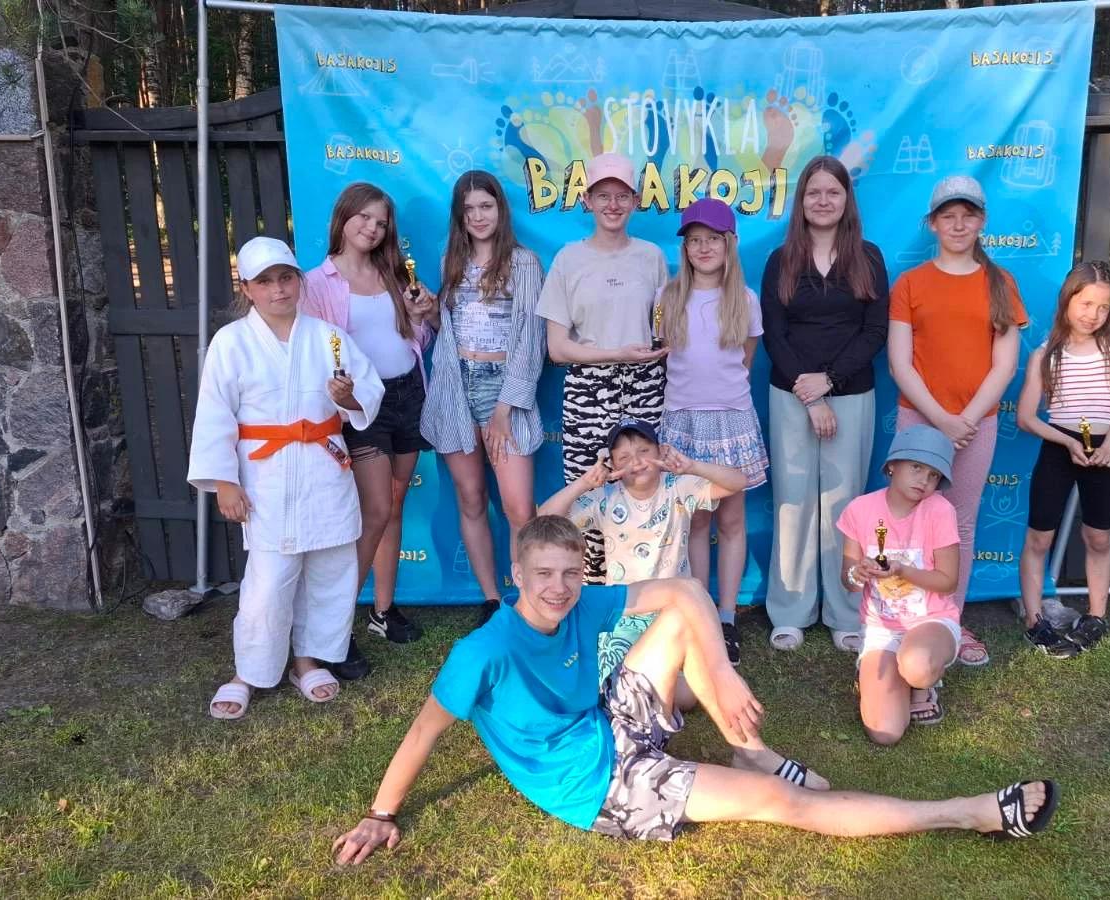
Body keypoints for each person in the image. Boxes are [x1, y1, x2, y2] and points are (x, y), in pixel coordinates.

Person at [331, 515, 1058, 861]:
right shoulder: (481, 652)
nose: (558, 587)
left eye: (570, 573)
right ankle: (969, 813)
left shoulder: (581, 601)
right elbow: (423, 733)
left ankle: (750, 748)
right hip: (603, 784)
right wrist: (378, 814)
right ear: (516, 576)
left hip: (607, 717)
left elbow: (681, 589)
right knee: (784, 804)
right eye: (542, 575)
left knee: (681, 614)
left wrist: (725, 673)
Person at [190, 237, 385, 719]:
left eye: (286, 278)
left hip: (323, 468)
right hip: (267, 476)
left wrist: (348, 397)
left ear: (299, 281)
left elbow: (367, 392)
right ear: (247, 289)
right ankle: (249, 671)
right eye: (265, 282)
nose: (278, 289)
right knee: (268, 581)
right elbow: (214, 412)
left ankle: (306, 660)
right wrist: (224, 482)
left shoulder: (328, 337)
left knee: (330, 572)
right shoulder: (231, 342)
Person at [886, 175, 1029, 668]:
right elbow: (900, 363)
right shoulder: (910, 284)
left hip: (975, 424)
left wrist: (964, 419)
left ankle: (949, 619)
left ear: (982, 221)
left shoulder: (1001, 283)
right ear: (933, 224)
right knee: (911, 521)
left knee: (958, 525)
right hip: (919, 422)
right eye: (948, 216)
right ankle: (903, 620)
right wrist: (941, 419)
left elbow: (1005, 364)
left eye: (968, 216)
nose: (958, 224)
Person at [303, 183, 438, 663]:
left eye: (381, 223)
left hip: (409, 395)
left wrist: (424, 316)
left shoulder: (394, 273)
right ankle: (332, 630)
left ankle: (382, 611)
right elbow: (313, 354)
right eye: (364, 217)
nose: (372, 228)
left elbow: (415, 337)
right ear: (343, 217)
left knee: (395, 505)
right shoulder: (316, 284)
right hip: (362, 406)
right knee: (376, 509)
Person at [760, 155, 889, 654]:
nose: (823, 201)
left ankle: (845, 613)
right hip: (790, 395)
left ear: (846, 200)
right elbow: (775, 333)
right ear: (801, 201)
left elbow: (874, 331)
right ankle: (790, 612)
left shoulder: (868, 257)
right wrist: (809, 392)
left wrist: (830, 381)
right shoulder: (781, 260)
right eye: (813, 192)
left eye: (832, 192)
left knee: (844, 506)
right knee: (792, 504)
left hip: (851, 395)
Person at [420, 171, 547, 624]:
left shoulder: (524, 263)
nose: (477, 216)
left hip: (503, 389)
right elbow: (449, 332)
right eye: (468, 209)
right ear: (459, 216)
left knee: (518, 508)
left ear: (500, 210)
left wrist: (505, 408)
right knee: (471, 497)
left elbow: (532, 339)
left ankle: (528, 603)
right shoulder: (450, 262)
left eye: (485, 206)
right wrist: (430, 314)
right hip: (456, 385)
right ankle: (492, 600)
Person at [537, 152, 670, 583]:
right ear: (587, 201)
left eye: (622, 196)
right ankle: (593, 596)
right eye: (603, 195)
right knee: (588, 493)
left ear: (635, 201)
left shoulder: (651, 257)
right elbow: (557, 348)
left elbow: (663, 328)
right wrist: (615, 354)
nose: (613, 205)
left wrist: (652, 353)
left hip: (644, 388)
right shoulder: (568, 259)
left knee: (644, 491)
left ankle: (643, 591)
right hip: (589, 391)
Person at [539, 420, 746, 682]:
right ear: (613, 466)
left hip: (676, 611)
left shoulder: (679, 487)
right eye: (624, 458)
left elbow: (738, 481)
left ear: (660, 452)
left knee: (689, 687)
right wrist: (584, 483)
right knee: (611, 679)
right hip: (625, 613)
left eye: (644, 451)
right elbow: (543, 521)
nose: (636, 462)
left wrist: (692, 466)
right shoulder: (604, 498)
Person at [653, 198, 767, 666]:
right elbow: (665, 355)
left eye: (712, 239)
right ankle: (699, 610)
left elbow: (746, 356)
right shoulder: (668, 298)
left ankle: (726, 617)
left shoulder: (745, 299)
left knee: (732, 521)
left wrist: (723, 400)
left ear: (729, 244)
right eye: (694, 240)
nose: (703, 248)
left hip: (730, 419)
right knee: (696, 521)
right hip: (682, 420)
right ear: (684, 248)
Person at [1016, 261, 1110, 657]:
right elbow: (1026, 417)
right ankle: (1035, 620)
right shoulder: (1045, 355)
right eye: (1086, 304)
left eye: (1103, 307)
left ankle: (1096, 616)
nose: (1093, 314)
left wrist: (1109, 446)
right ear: (1068, 300)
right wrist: (1067, 443)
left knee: (1098, 536)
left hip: (1105, 450)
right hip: (1059, 448)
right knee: (1040, 537)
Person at [837, 426, 961, 743]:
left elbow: (948, 582)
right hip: (881, 628)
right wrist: (858, 573)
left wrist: (903, 570)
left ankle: (923, 684)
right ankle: (885, 677)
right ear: (892, 465)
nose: (924, 480)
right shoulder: (860, 509)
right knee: (885, 733)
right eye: (916, 467)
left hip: (932, 620)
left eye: (933, 475)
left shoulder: (941, 510)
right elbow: (849, 581)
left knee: (917, 665)